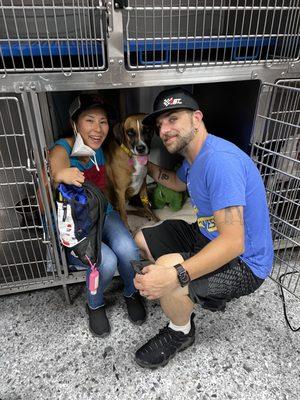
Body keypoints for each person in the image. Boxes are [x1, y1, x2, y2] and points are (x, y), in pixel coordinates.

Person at [133, 87, 274, 369]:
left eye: (173, 119)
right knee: (141, 239)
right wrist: (146, 167)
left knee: (168, 270)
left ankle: (180, 332)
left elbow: (234, 242)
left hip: (245, 263)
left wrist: (175, 275)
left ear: (196, 118)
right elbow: (178, 182)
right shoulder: (194, 157)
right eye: (160, 125)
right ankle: (189, 294)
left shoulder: (220, 162)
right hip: (207, 235)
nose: (164, 130)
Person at [49, 94, 146, 338]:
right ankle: (95, 303)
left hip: (105, 214)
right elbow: (55, 167)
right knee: (107, 261)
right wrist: (61, 174)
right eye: (89, 120)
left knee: (128, 249)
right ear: (74, 123)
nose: (97, 128)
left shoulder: (98, 149)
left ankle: (131, 292)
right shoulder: (64, 146)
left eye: (103, 122)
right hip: (78, 222)